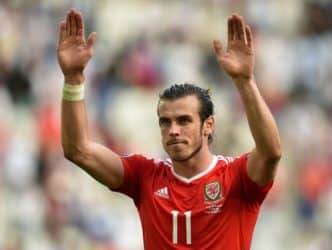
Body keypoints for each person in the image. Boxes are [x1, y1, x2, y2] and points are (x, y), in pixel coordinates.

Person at [57, 8, 281, 250]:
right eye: (165, 122)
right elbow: (77, 150)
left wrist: (245, 82)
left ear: (208, 125)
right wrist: (73, 80)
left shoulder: (235, 178)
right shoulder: (145, 176)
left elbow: (270, 152)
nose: (173, 130)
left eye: (184, 121)